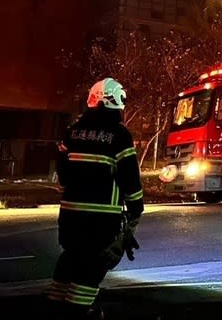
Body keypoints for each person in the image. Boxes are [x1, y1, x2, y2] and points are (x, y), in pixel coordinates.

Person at [47, 78, 144, 319]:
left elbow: (62, 172)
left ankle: (56, 307)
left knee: (70, 258)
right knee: (92, 266)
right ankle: (78, 312)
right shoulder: (119, 135)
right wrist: (136, 208)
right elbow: (129, 177)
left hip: (69, 213)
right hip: (101, 217)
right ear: (116, 102)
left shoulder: (73, 132)